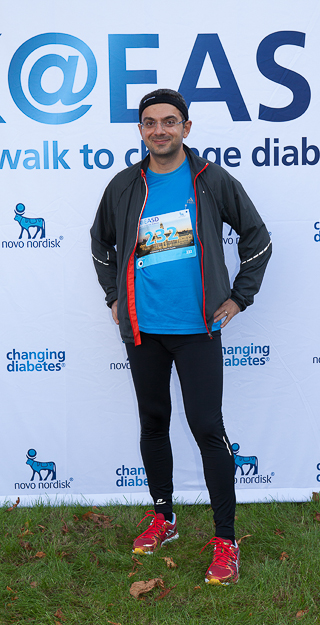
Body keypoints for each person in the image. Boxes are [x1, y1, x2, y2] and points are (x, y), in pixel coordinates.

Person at [91, 88, 271, 585]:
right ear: (141, 131)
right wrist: (114, 296)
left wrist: (239, 297)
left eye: (169, 121)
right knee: (153, 422)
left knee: (207, 428)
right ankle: (163, 516)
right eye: (150, 123)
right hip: (143, 330)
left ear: (186, 128)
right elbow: (100, 244)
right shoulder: (124, 186)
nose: (160, 130)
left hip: (197, 330)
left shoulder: (211, 180)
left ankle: (226, 540)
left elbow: (258, 238)